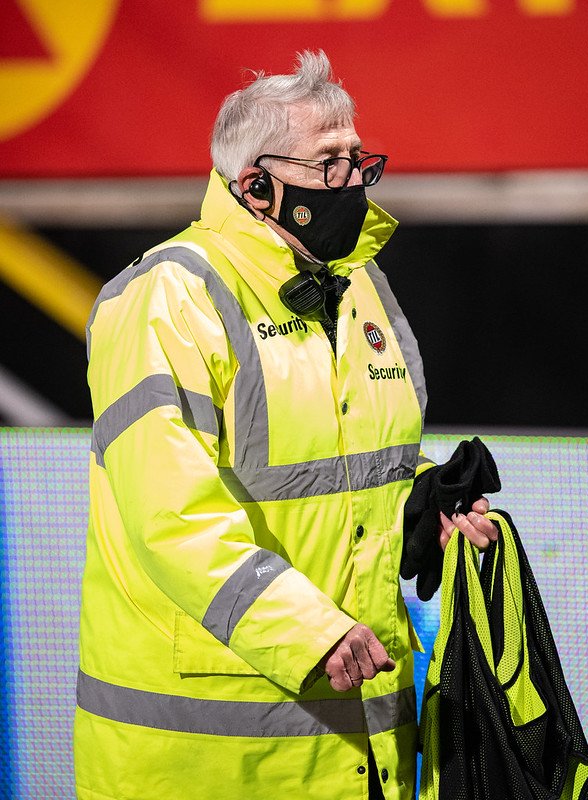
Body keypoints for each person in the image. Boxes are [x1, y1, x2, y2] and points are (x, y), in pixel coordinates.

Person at [74, 50, 496, 800]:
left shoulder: (361, 282)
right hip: (208, 755)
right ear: (255, 186)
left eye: (357, 159)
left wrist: (424, 509)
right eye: (328, 162)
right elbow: (170, 511)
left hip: (361, 731)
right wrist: (308, 632)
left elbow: (361, 465)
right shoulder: (168, 295)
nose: (352, 182)